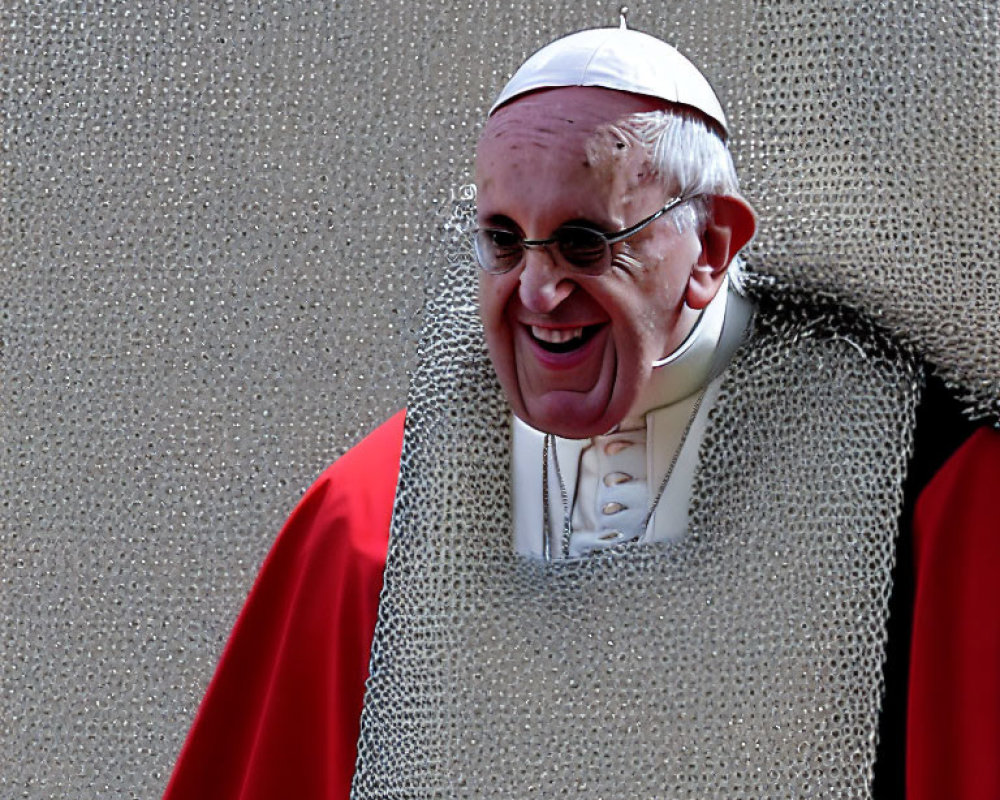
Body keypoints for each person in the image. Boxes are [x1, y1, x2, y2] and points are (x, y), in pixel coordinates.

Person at [164, 25, 1000, 800]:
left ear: (709, 250)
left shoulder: (912, 481)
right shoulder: (379, 512)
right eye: (503, 238)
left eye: (584, 242)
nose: (538, 293)